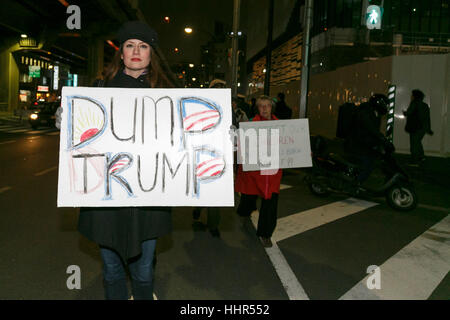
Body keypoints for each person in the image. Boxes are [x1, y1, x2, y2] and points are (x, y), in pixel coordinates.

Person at [57, 21, 178, 300]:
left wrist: (219, 139)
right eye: (130, 45)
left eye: (143, 45)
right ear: (121, 53)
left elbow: (186, 140)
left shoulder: (169, 95)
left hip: (148, 198)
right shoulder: (99, 89)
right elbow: (82, 135)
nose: (136, 51)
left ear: (151, 54)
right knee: (111, 270)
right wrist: (66, 122)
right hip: (107, 198)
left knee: (144, 271)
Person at [235, 95, 283, 248]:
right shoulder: (250, 125)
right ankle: (244, 211)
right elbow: (241, 149)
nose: (264, 109)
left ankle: (265, 233)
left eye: (267, 105)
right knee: (249, 197)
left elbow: (291, 145)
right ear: (257, 108)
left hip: (272, 173)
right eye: (261, 106)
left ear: (271, 107)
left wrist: (301, 153)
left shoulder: (282, 126)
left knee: (270, 202)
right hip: (254, 172)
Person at [191, 79, 227, 238]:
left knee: (216, 192)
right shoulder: (200, 107)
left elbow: (236, 129)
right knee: (204, 189)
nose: (219, 91)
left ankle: (213, 224)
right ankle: (199, 206)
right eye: (216, 88)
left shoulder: (230, 109)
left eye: (221, 89)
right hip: (202, 154)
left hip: (221, 155)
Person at [345, 94, 393, 184]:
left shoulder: (374, 113)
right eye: (385, 105)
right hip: (356, 144)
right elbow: (371, 129)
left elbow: (373, 131)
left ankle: (357, 180)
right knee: (368, 163)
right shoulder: (365, 112)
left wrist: (381, 140)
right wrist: (382, 139)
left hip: (364, 143)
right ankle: (355, 184)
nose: (386, 107)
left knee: (373, 159)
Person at [403, 89, 433, 165]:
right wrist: (428, 129)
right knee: (418, 142)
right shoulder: (425, 105)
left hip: (415, 127)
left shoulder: (414, 103)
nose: (411, 96)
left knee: (414, 144)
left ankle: (414, 161)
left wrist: (404, 112)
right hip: (423, 128)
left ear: (415, 96)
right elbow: (427, 118)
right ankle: (421, 157)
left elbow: (409, 113)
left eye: (412, 95)